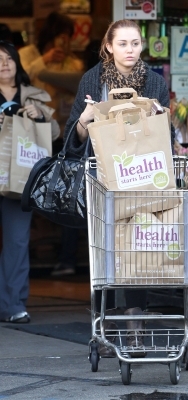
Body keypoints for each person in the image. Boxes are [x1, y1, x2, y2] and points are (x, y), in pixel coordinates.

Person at [63, 19, 174, 356]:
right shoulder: (93, 79)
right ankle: (107, 326)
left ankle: (135, 327)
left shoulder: (154, 82)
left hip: (141, 177)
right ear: (108, 46)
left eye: (135, 43)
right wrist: (87, 115)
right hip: (104, 179)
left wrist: (160, 116)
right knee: (106, 254)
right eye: (122, 43)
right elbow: (74, 137)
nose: (130, 50)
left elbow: (165, 138)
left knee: (137, 249)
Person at [18, 12, 85, 277]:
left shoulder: (73, 61)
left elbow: (79, 82)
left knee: (70, 193)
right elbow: (20, 79)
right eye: (61, 34)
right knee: (26, 192)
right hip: (32, 136)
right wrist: (43, 62)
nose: (64, 42)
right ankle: (25, 258)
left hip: (65, 134)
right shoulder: (26, 55)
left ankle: (67, 258)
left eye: (68, 36)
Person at [0, 41, 60, 323]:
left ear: (17, 63)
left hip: (20, 179)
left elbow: (57, 132)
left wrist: (41, 115)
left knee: (17, 242)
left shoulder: (34, 96)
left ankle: (13, 305)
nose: (4, 63)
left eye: (9, 58)